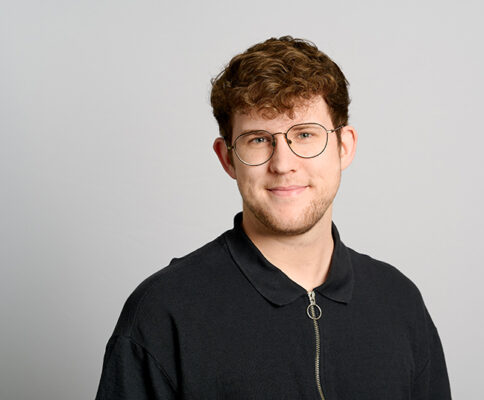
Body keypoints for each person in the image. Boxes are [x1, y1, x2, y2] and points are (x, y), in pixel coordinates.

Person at [95, 36, 451, 399]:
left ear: (344, 147)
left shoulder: (399, 302)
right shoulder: (163, 313)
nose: (283, 164)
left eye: (305, 134)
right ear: (227, 158)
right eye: (258, 139)